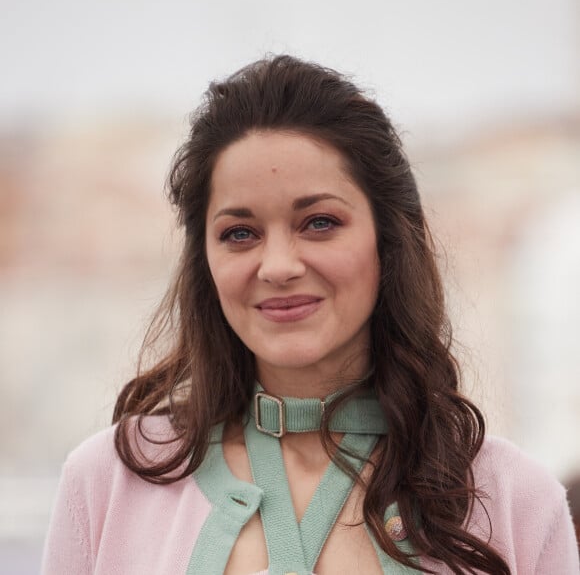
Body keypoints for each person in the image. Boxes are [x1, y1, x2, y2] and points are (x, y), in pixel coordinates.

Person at [41, 55, 579, 575]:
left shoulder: (514, 500)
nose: (277, 266)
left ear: (387, 239)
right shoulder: (105, 485)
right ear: (204, 260)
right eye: (240, 233)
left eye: (319, 222)